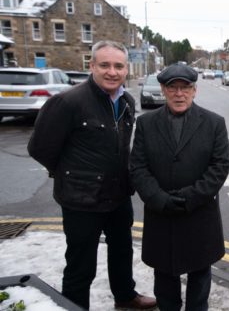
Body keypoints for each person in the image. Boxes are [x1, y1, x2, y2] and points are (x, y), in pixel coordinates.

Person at [27, 40, 157, 310]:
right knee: (80, 265)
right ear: (92, 66)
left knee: (122, 251)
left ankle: (125, 297)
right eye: (105, 65)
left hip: (119, 196)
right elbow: (40, 149)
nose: (112, 72)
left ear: (126, 69)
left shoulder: (127, 101)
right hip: (81, 201)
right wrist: (72, 176)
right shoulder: (67, 102)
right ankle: (75, 306)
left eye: (118, 66)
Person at [130, 63, 229, 311]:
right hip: (160, 213)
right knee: (164, 277)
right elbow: (138, 168)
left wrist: (188, 198)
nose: (179, 93)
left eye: (185, 87)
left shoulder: (214, 123)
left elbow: (219, 168)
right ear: (163, 90)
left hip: (199, 214)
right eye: (172, 87)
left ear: (194, 90)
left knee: (200, 277)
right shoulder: (146, 124)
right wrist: (159, 199)